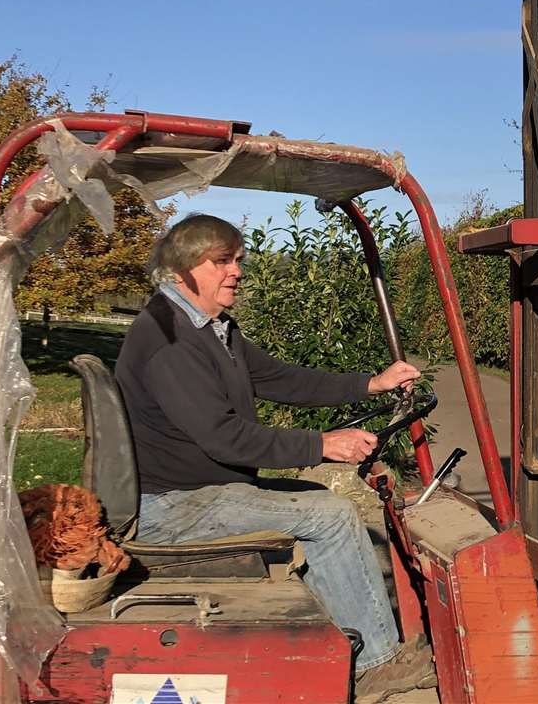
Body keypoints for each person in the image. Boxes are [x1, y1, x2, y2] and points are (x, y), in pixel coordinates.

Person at [116, 213, 428, 697]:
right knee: (331, 514)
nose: (236, 271)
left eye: (237, 260)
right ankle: (373, 666)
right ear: (182, 270)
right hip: (176, 504)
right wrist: (320, 445)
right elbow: (224, 438)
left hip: (205, 489)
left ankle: (338, 630)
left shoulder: (212, 328)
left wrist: (370, 383)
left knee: (317, 502)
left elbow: (281, 379)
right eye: (221, 261)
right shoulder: (169, 339)